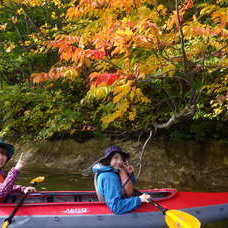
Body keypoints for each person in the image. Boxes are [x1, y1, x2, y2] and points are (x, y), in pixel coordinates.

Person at [92, 145, 151, 215]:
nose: (120, 161)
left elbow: (129, 189)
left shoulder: (113, 171)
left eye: (121, 159)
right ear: (108, 159)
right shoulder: (109, 177)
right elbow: (116, 207)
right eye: (116, 158)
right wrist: (139, 199)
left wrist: (130, 174)